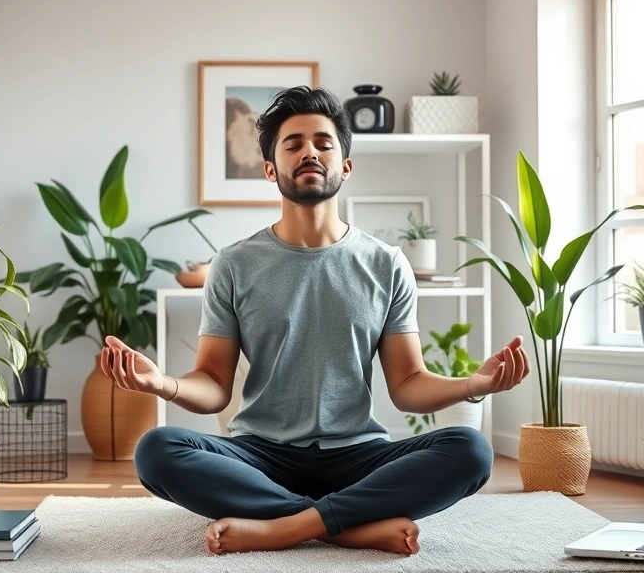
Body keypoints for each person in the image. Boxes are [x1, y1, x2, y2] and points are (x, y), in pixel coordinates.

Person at [100, 85, 530, 557]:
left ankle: (282, 525)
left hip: (358, 454)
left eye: (324, 143)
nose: (310, 152)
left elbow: (407, 383)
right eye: (294, 144)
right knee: (157, 450)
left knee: (471, 450)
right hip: (259, 454)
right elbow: (213, 384)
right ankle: (344, 526)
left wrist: (474, 384)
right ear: (271, 169)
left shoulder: (385, 263)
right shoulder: (234, 265)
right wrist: (163, 383)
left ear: (345, 166)